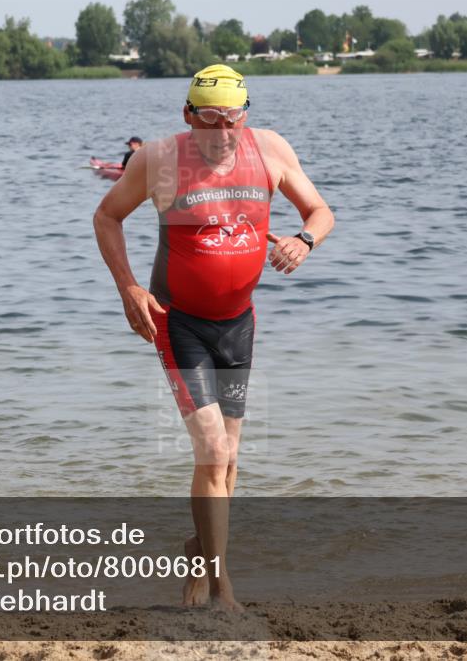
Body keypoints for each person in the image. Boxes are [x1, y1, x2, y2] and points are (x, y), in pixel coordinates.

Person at [93, 64, 335, 611]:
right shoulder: (157, 160)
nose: (222, 132)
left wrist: (304, 240)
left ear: (245, 115)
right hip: (178, 320)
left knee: (229, 462)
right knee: (212, 450)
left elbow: (321, 211)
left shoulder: (270, 150)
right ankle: (222, 586)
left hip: (240, 322)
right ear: (188, 115)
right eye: (209, 119)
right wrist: (128, 288)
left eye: (232, 118)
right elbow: (107, 217)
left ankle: (198, 551)